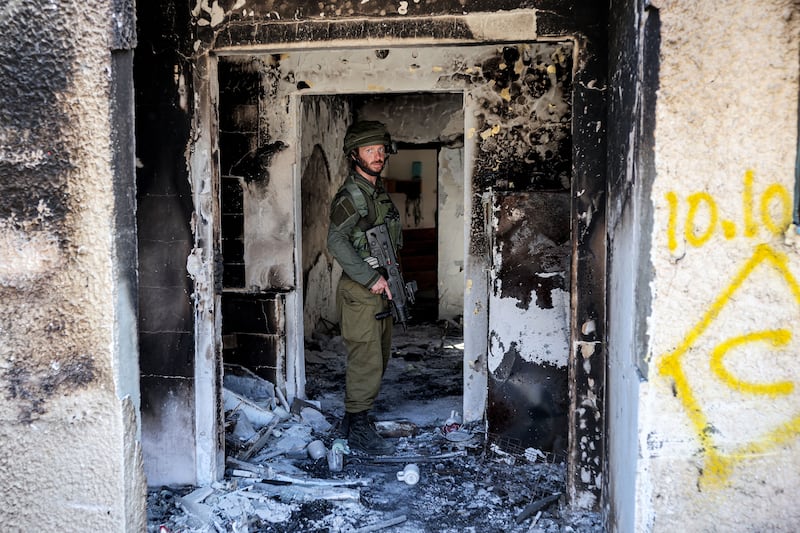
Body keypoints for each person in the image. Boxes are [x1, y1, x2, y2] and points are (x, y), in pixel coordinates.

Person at [327, 120, 403, 455]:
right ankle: (358, 429)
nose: (378, 155)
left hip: (379, 287)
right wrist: (371, 278)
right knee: (366, 359)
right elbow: (336, 241)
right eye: (370, 149)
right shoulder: (352, 195)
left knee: (379, 356)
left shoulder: (376, 191)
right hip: (362, 290)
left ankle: (353, 420)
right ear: (354, 155)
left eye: (381, 149)